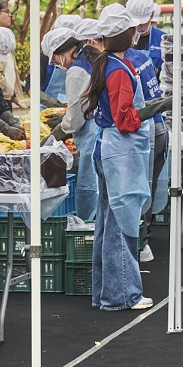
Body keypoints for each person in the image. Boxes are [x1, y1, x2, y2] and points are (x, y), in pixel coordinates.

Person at [82, 4, 169, 311]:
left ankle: (105, 293)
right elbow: (125, 119)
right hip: (119, 151)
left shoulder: (109, 63)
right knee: (122, 222)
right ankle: (123, 295)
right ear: (125, 35)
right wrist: (155, 108)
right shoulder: (118, 69)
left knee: (108, 223)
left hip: (109, 149)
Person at [124, 0, 171, 264]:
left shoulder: (128, 57)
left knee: (139, 189)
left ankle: (140, 240)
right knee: (144, 188)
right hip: (152, 124)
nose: (140, 28)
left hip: (146, 126)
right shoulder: (136, 55)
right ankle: (141, 241)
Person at [48, 19, 102, 221]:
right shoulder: (91, 59)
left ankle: (89, 228)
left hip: (91, 135)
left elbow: (76, 117)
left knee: (90, 189)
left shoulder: (77, 71)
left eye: (55, 59)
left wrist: (56, 135)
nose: (56, 65)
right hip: (101, 132)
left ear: (62, 52)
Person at [126, 0, 167, 76]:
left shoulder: (163, 40)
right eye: (134, 21)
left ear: (152, 15)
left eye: (142, 22)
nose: (137, 25)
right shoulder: (121, 38)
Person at [40, 25, 78, 105]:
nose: (57, 63)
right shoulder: (43, 57)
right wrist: (49, 101)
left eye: (54, 59)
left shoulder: (81, 67)